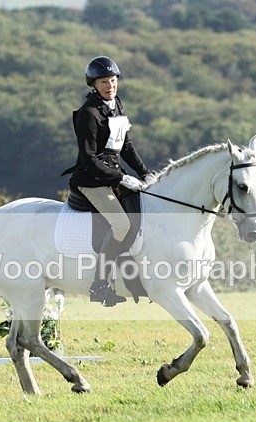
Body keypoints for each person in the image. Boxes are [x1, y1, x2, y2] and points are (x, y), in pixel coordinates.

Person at [66, 56, 153, 306]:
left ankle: (133, 277)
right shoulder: (88, 114)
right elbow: (89, 158)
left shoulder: (116, 105)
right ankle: (99, 285)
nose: (110, 86)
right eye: (103, 82)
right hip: (91, 180)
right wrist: (122, 177)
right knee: (121, 224)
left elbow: (125, 145)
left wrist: (145, 173)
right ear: (93, 84)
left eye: (113, 80)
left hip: (113, 177)